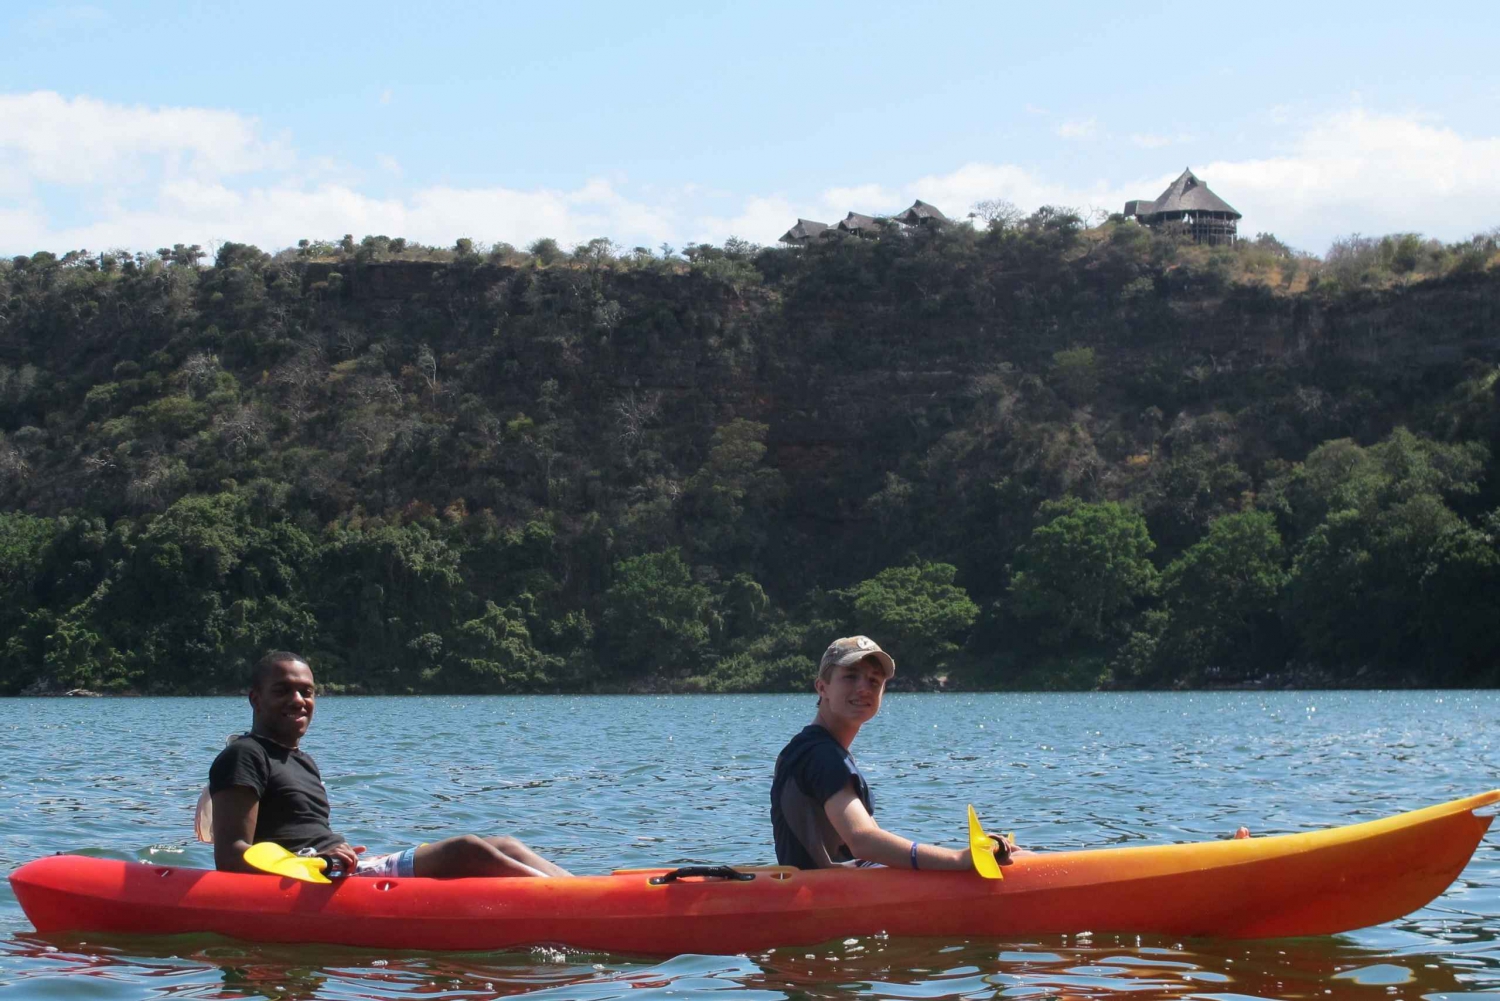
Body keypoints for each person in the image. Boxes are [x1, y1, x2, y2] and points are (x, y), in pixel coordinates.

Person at [209, 651, 570, 879]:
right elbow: (232, 855)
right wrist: (321, 863)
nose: (299, 700)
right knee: (467, 850)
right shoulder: (245, 755)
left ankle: (586, 890)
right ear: (255, 699)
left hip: (342, 869)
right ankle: (571, 905)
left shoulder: (301, 761)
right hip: (318, 877)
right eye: (282, 690)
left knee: (505, 844)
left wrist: (335, 859)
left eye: (307, 691)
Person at [771, 635, 1015, 871]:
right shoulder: (821, 756)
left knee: (1019, 856)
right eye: (850, 677)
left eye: (874, 681)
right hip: (825, 899)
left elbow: (874, 842)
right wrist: (957, 860)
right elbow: (863, 841)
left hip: (834, 886)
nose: (864, 688)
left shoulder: (817, 749)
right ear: (822, 688)